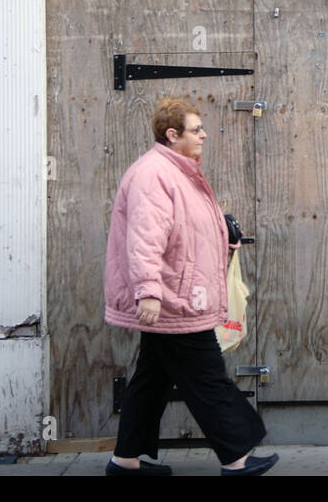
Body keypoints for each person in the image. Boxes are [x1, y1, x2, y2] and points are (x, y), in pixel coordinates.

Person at [104, 97, 277, 476]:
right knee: (207, 379)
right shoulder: (155, 175)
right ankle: (237, 458)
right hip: (171, 298)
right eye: (196, 130)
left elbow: (185, 230)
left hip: (173, 294)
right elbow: (145, 239)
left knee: (151, 381)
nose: (203, 136)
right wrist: (148, 291)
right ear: (172, 134)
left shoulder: (179, 173)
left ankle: (125, 462)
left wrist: (224, 238)